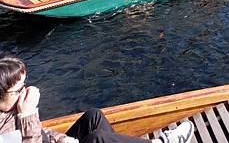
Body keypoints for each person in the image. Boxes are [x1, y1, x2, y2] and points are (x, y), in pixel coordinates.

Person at [0, 55, 193, 143]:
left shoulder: (9, 110)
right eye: (19, 89)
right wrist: (27, 114)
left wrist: (62, 139)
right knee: (96, 139)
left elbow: (40, 134)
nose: (25, 92)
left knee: (94, 117)